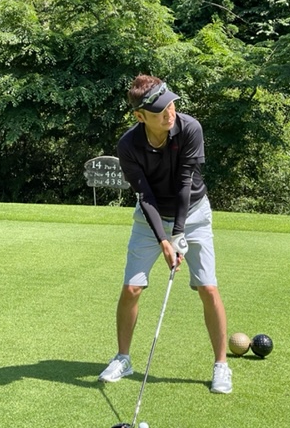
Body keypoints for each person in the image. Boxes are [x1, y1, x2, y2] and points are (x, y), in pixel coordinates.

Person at [98, 74, 232, 394]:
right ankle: (123, 358)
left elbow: (186, 182)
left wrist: (178, 234)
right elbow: (145, 196)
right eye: (159, 110)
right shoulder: (128, 145)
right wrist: (163, 240)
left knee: (208, 288)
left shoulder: (190, 128)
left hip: (194, 214)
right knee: (132, 288)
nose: (169, 112)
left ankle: (221, 364)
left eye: (171, 104)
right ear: (140, 116)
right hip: (150, 219)